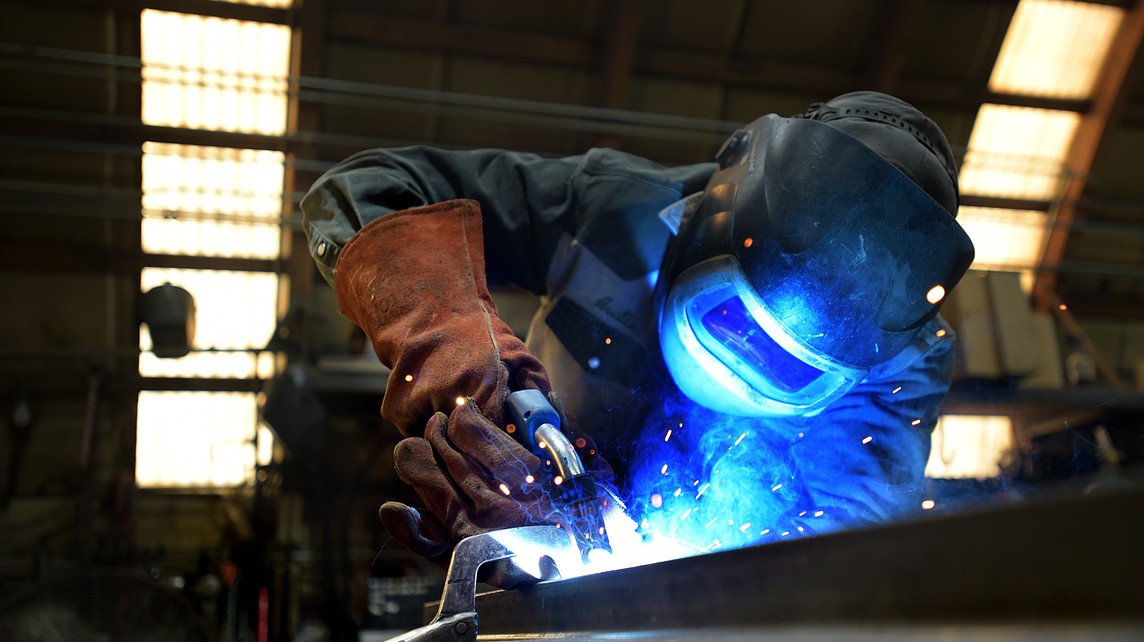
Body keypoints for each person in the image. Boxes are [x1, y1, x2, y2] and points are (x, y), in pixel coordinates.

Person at [301, 91, 974, 565]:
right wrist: (451, 346)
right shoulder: (611, 207)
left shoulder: (901, 357)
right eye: (738, 319)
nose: (743, 358)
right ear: (726, 210)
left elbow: (837, 548)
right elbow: (368, 187)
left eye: (788, 362)